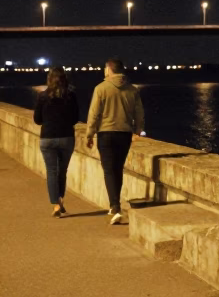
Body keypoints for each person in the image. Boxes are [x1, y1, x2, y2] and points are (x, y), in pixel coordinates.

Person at [85, 57, 145, 225]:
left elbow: (94, 114)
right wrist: (138, 130)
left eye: (105, 69)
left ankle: (115, 207)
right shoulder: (132, 90)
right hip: (124, 134)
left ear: (109, 70)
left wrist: (89, 134)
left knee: (109, 170)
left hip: (106, 134)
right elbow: (139, 113)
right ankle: (115, 205)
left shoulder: (101, 88)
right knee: (117, 169)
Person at [33, 66, 80, 217]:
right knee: (63, 171)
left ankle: (56, 205)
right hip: (66, 137)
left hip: (47, 138)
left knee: (52, 171)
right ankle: (60, 200)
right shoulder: (71, 95)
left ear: (49, 79)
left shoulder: (42, 96)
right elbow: (75, 118)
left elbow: (37, 120)